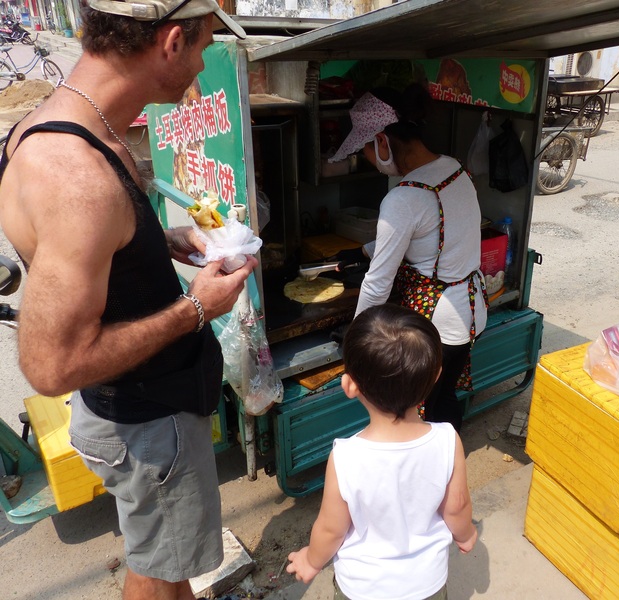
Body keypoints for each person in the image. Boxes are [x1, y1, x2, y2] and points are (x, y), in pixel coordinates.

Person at [0, 2, 251, 599]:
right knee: (158, 571)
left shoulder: (70, 123)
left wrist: (160, 240)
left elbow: (94, 250)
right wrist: (197, 309)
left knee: (164, 563)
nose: (201, 64)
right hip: (145, 423)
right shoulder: (76, 177)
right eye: (203, 45)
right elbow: (50, 365)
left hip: (142, 414)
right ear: (170, 42)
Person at [286, 304, 478, 599]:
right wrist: (466, 535)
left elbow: (330, 529)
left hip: (363, 588)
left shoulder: (346, 457)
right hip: (427, 585)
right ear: (436, 375)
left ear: (349, 386)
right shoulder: (448, 440)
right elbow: (457, 506)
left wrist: (311, 561)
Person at [329, 84, 488, 433]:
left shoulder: (404, 198)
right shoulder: (454, 169)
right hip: (470, 312)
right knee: (444, 399)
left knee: (416, 416)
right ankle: (448, 463)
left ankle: (430, 475)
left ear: (383, 141)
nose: (369, 161)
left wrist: (356, 348)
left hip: (436, 325)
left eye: (366, 151)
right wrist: (364, 250)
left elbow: (376, 285)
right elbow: (429, 236)